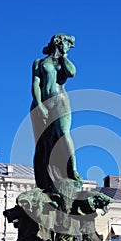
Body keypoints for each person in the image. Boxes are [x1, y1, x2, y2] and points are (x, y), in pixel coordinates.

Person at [30, 33, 82, 190]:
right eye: (67, 44)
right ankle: (44, 181)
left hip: (59, 101)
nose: (68, 48)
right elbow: (35, 85)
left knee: (63, 133)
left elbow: (72, 72)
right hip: (40, 104)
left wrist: (64, 56)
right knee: (42, 144)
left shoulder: (63, 62)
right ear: (59, 43)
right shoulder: (39, 62)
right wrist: (39, 105)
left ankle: (72, 170)